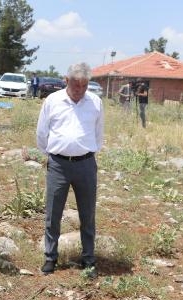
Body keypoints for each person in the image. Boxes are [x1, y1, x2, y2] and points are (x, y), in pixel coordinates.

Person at [36, 62, 104, 278]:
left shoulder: (95, 102)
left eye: (84, 85)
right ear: (66, 81)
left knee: (87, 213)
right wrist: (53, 154)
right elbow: (42, 133)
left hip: (86, 164)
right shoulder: (52, 101)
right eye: (76, 85)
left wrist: (86, 152)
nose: (80, 90)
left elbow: (98, 134)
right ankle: (50, 257)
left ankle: (88, 259)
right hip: (58, 165)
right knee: (53, 213)